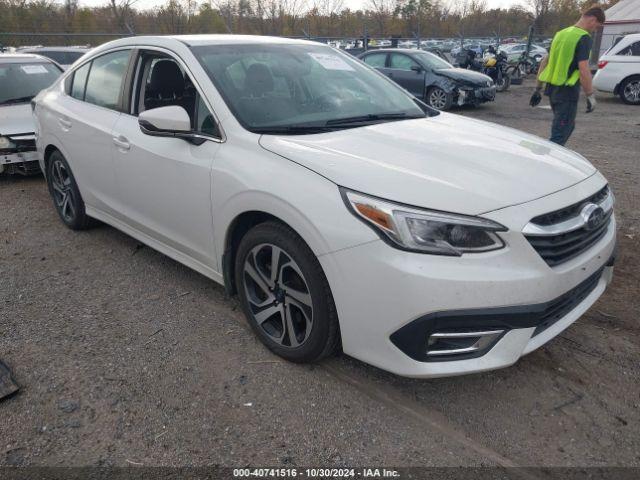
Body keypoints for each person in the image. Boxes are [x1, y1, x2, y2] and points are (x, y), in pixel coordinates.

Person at [529, 6, 606, 145]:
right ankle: (548, 164)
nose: (595, 30)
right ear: (593, 19)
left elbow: (544, 61)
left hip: (552, 91)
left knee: (567, 127)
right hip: (567, 93)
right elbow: (583, 69)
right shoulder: (584, 38)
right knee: (559, 136)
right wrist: (590, 95)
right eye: (597, 27)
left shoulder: (560, 34)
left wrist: (537, 89)